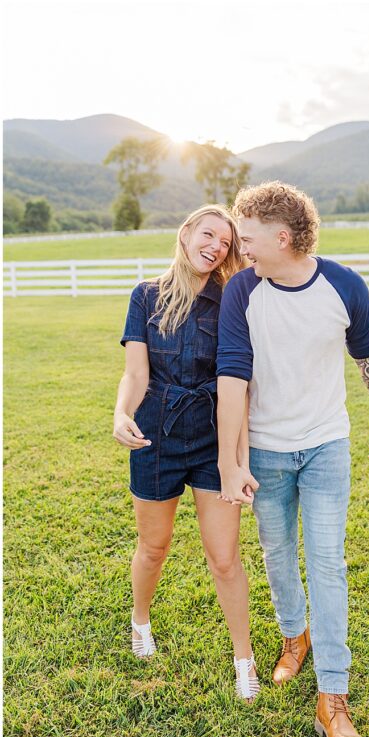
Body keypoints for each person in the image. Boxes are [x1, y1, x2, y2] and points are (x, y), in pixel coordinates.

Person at [216, 181, 369, 737]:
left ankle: (332, 696)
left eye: (246, 239)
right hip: (266, 451)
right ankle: (295, 636)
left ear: (283, 237)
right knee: (277, 555)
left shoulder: (343, 286)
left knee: (326, 561)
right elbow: (231, 377)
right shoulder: (242, 290)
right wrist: (231, 459)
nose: (237, 249)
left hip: (326, 446)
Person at [114, 204, 259, 701]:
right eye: (209, 234)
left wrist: (236, 459)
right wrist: (121, 413)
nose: (216, 246)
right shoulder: (146, 296)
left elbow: (238, 383)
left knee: (224, 559)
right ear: (186, 233)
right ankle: (140, 622)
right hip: (155, 434)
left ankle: (244, 659)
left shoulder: (232, 299)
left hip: (213, 439)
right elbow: (137, 374)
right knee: (154, 546)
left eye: (226, 241)